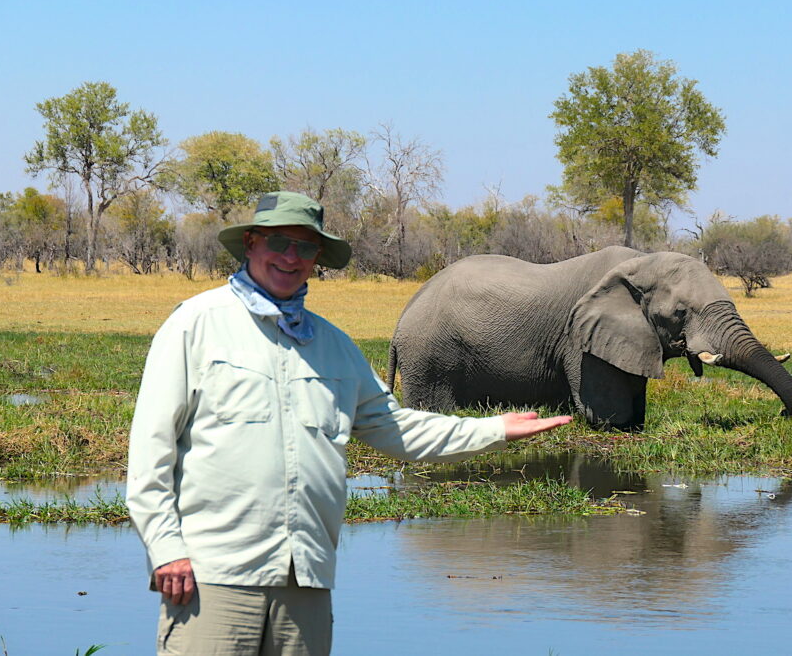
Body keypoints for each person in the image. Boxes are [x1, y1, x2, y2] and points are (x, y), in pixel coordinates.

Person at [126, 191, 570, 655]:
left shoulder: (333, 345)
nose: (290, 257)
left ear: (318, 258)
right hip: (212, 572)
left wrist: (494, 430)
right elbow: (151, 452)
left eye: (305, 247)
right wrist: (166, 549)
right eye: (279, 243)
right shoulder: (195, 325)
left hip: (306, 576)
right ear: (252, 244)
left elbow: (397, 428)